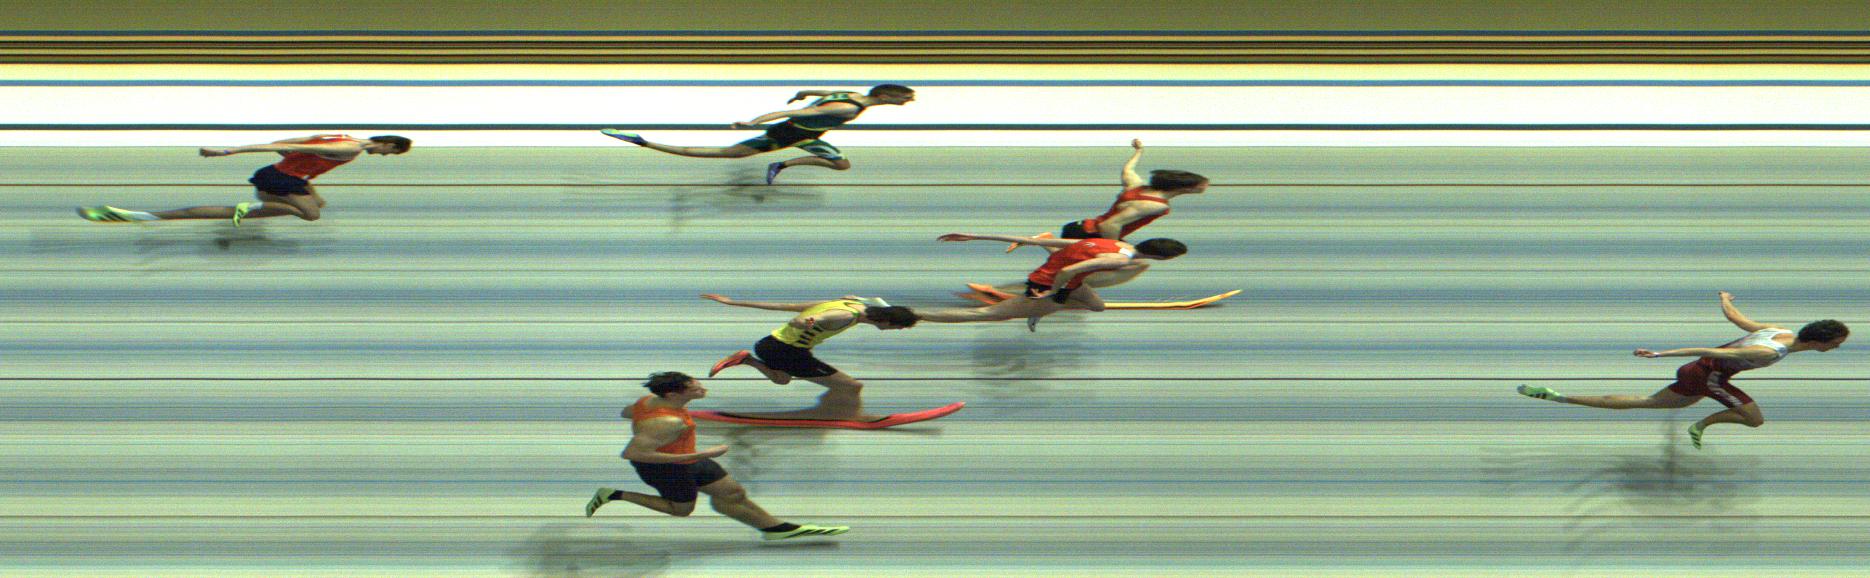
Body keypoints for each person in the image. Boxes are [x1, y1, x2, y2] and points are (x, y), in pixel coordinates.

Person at [1517, 291, 1849, 449]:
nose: (1835, 348)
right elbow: (1709, 350)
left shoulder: (1780, 331)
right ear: (1818, 341)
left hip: (1696, 372)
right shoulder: (1771, 349)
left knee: (1646, 402)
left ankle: (1560, 397)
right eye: (1834, 344)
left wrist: (1725, 299)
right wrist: (1659, 353)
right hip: (1708, 376)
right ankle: (1701, 424)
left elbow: (1737, 319)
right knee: (1754, 419)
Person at [584, 372, 849, 541]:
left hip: (689, 459)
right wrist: (705, 452)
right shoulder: (667, 422)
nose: (702, 389)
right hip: (666, 469)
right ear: (673, 395)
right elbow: (633, 453)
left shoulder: (648, 402)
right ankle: (614, 495)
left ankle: (774, 529)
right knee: (681, 510)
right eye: (695, 389)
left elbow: (627, 412)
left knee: (733, 493)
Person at [701, 294, 959, 428]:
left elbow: (786, 305)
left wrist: (734, 302)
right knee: (851, 386)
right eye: (897, 328)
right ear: (885, 320)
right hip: (786, 351)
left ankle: (747, 359)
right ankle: (852, 416)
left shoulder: (854, 302)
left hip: (770, 344)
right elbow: (800, 318)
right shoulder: (844, 316)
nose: (897, 331)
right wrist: (806, 322)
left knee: (782, 379)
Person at [599, 84, 915, 184]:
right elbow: (793, 114)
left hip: (803, 135)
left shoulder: (851, 95)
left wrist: (803, 93)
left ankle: (782, 165)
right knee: (724, 154)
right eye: (903, 98)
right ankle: (643, 141)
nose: (906, 102)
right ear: (885, 96)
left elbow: (816, 93)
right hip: (792, 135)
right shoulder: (847, 108)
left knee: (842, 164)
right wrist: (753, 122)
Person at [77, 134, 412, 226]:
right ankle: (246, 210)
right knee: (311, 214)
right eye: (391, 153)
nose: (386, 157)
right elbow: (285, 147)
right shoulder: (349, 148)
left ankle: (255, 207)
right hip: (280, 180)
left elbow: (291, 144)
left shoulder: (343, 136)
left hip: (284, 176)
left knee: (316, 203)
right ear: (389, 144)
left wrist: (304, 175)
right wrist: (229, 151)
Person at [923, 233, 1187, 331]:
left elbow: (1039, 241)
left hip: (1069, 282)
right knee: (987, 315)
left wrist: (974, 236)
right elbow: (1069, 270)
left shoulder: (1115, 244)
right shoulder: (1118, 259)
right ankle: (914, 315)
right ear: (1160, 258)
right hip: (1046, 284)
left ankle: (1042, 308)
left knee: (1098, 307)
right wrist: (1054, 292)